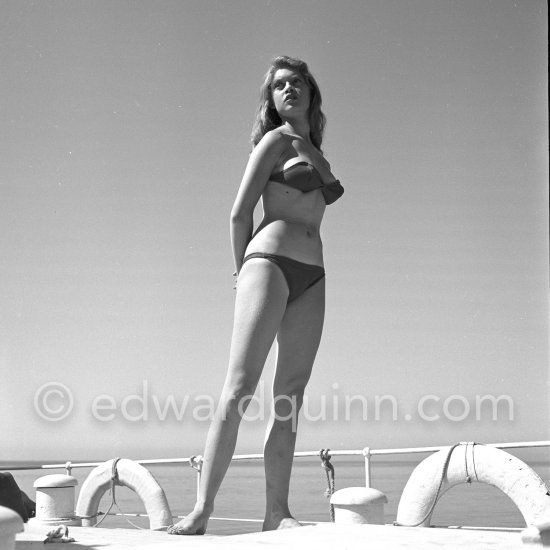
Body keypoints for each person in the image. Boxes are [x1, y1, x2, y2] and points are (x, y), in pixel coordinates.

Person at [168, 55, 344, 536]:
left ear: (311, 90)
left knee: (289, 396)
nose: (289, 89)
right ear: (270, 99)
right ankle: (202, 510)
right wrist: (240, 269)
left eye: (297, 82)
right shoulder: (274, 141)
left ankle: (277, 512)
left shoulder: (316, 150)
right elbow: (238, 213)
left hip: (315, 273)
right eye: (279, 85)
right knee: (241, 387)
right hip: (267, 263)